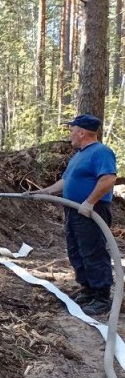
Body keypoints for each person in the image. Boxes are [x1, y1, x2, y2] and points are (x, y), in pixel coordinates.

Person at [30, 114, 118, 315]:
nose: (70, 134)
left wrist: (89, 202)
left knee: (92, 251)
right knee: (76, 250)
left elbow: (108, 179)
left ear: (82, 132)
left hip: (91, 210)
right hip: (73, 210)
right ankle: (88, 289)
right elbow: (65, 181)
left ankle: (101, 296)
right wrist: (44, 192)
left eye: (72, 130)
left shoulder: (101, 152)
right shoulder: (79, 155)